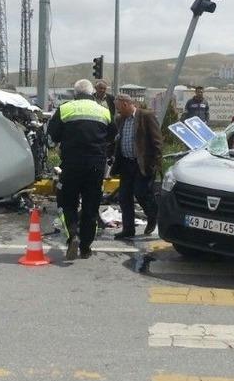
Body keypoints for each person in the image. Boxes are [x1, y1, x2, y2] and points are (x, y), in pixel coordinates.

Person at [47, 79, 116, 260]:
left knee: (67, 202)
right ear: (92, 92)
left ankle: (73, 235)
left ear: (75, 93)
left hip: (72, 163)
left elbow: (53, 134)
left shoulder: (66, 108)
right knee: (91, 206)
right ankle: (85, 247)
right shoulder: (104, 110)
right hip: (95, 164)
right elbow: (111, 134)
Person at [111, 93, 163, 240]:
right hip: (126, 163)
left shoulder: (146, 116)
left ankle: (153, 215)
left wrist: (155, 164)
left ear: (126, 104)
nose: (118, 111)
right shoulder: (120, 119)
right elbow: (118, 140)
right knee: (124, 197)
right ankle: (128, 229)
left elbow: (157, 141)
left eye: (119, 107)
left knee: (141, 193)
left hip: (143, 164)